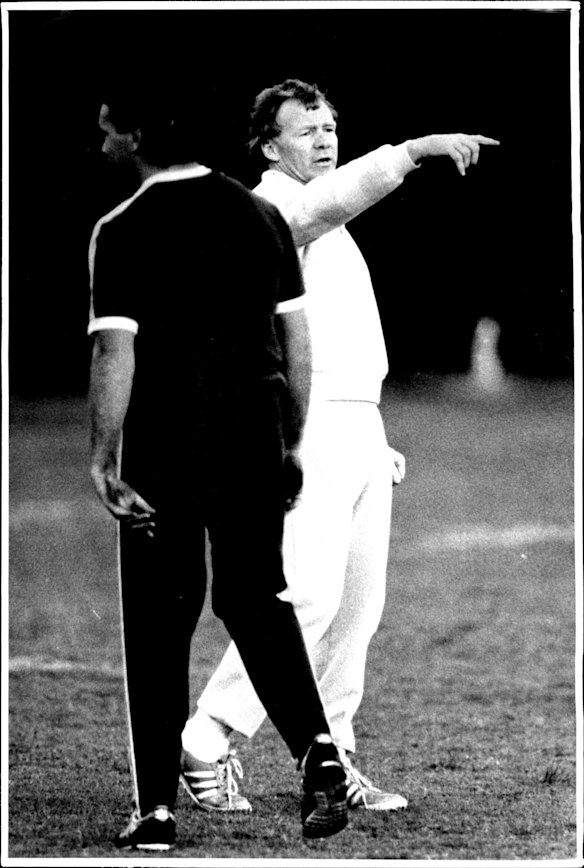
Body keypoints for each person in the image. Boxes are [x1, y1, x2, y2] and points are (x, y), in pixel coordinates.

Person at [181, 78, 500, 812]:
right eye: (306, 131)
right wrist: (414, 151)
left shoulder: (318, 214)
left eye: (329, 127)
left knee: (358, 606)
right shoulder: (273, 207)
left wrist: (371, 432)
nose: (324, 140)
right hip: (307, 421)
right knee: (310, 594)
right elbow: (332, 201)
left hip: (357, 423)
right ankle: (209, 734)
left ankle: (334, 763)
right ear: (269, 145)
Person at [88, 85, 351, 850]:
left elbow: (115, 351)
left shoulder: (123, 226)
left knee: (158, 617)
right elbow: (297, 343)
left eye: (108, 128)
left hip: (168, 441)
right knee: (258, 597)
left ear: (136, 133)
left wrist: (104, 458)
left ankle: (158, 813)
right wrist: (292, 442)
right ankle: (319, 753)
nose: (103, 143)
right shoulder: (260, 216)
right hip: (254, 435)